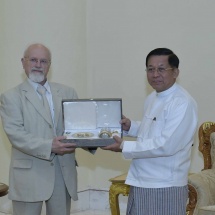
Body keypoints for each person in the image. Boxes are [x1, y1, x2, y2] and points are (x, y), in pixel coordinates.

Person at [102, 48, 198, 215]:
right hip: (141, 180)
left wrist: (124, 146)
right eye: (150, 69)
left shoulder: (182, 103)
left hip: (164, 185)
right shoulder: (153, 97)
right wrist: (130, 126)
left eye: (161, 69)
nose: (155, 74)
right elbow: (152, 130)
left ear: (175, 72)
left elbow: (166, 144)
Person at [0, 43, 80, 215]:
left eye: (43, 61)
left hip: (62, 172)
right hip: (29, 175)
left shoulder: (68, 92)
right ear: (23, 62)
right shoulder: (10, 97)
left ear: (50, 65)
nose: (38, 65)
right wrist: (49, 146)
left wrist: (97, 138)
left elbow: (79, 127)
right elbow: (16, 135)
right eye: (33, 60)